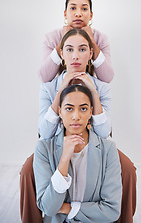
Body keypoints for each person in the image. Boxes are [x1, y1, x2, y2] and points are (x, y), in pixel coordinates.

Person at [20, 29, 136, 223]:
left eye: (82, 49)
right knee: (26, 171)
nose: (75, 55)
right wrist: (60, 92)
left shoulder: (101, 85)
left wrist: (93, 93)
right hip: (54, 142)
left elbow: (104, 132)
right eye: (69, 50)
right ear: (61, 54)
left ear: (90, 54)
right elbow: (45, 133)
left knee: (129, 169)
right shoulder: (49, 85)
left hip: (92, 139)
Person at [33, 84, 122, 223]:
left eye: (83, 109)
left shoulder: (108, 149)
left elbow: (112, 211)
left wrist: (69, 208)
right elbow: (48, 208)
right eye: (69, 109)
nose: (76, 116)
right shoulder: (44, 149)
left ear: (91, 112)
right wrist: (64, 160)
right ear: (60, 112)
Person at [39, 0, 114, 83]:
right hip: (60, 93)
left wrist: (92, 41)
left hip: (90, 93)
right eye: (73, 8)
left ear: (91, 15)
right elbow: (44, 77)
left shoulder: (100, 39)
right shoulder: (51, 38)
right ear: (65, 14)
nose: (78, 14)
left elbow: (108, 77)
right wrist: (63, 40)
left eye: (84, 9)